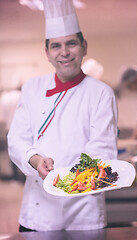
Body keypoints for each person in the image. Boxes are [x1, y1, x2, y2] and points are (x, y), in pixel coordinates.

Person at [7, 0, 118, 231]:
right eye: (56, 46)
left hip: (83, 213)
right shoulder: (32, 88)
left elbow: (102, 151)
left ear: (84, 47)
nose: (64, 52)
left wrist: (66, 181)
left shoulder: (101, 93)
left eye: (71, 44)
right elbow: (16, 140)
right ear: (47, 53)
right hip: (37, 212)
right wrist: (36, 160)